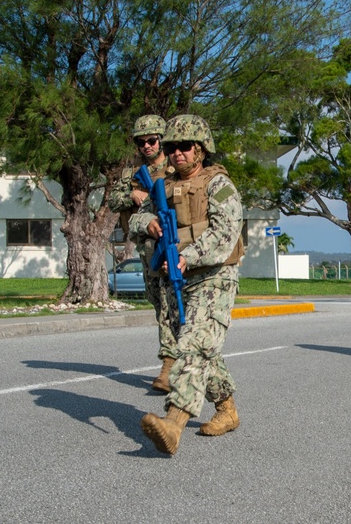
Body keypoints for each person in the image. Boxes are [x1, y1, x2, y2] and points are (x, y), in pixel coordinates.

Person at [129, 114, 245, 455]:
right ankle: (226, 409)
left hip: (215, 276)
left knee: (193, 346)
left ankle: (174, 423)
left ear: (201, 149)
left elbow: (225, 233)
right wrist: (148, 221)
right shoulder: (162, 186)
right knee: (203, 346)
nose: (177, 153)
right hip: (179, 278)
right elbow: (136, 217)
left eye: (185, 147)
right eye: (172, 147)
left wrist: (188, 255)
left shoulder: (218, 185)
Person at [107, 114, 176, 393]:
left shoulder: (174, 167)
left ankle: (169, 365)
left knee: (169, 302)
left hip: (171, 242)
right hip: (145, 247)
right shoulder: (131, 172)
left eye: (151, 141)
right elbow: (113, 200)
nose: (146, 146)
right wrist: (132, 196)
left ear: (161, 140)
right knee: (157, 302)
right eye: (141, 142)